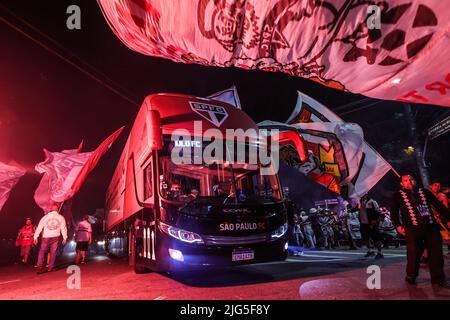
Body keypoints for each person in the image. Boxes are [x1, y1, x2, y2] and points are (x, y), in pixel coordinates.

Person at [390, 174, 450, 288]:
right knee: (414, 253)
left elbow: (438, 206)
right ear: (402, 183)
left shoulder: (425, 192)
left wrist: (449, 218)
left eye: (411, 179)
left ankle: (438, 278)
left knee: (436, 253)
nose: (409, 182)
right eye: (406, 180)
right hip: (412, 229)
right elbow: (393, 212)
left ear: (415, 181)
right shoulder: (397, 195)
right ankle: (411, 275)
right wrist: (398, 225)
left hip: (431, 227)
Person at [33, 204, 68, 273]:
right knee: (53, 252)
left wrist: (35, 237)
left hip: (46, 236)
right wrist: (65, 237)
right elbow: (63, 228)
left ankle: (39, 266)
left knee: (42, 251)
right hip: (55, 237)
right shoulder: (61, 217)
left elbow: (39, 227)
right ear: (57, 210)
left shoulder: (45, 217)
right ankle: (50, 267)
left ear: (51, 209)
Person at [359, 194, 384, 259]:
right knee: (365, 238)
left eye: (363, 194)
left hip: (371, 223)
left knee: (376, 238)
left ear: (366, 195)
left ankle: (380, 253)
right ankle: (370, 251)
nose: (362, 195)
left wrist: (374, 221)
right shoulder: (360, 202)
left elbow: (378, 212)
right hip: (363, 223)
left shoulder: (372, 202)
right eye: (361, 194)